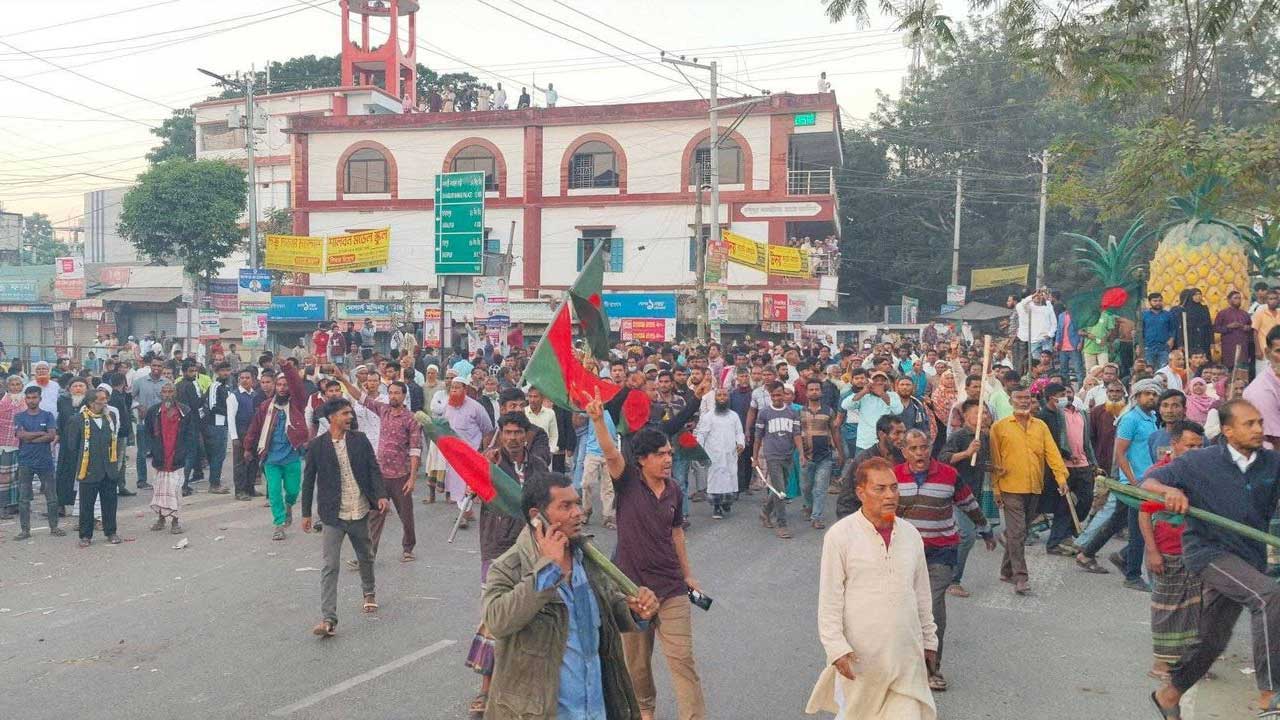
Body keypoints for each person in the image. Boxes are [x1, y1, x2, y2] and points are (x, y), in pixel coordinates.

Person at [481, 470, 659, 720]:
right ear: (536, 517)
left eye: (576, 503)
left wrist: (636, 610)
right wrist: (547, 570)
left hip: (595, 709)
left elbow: (609, 608)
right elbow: (497, 621)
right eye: (566, 506)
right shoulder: (509, 567)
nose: (578, 512)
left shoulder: (585, 557)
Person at [1146, 400, 1280, 718]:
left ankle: (1169, 694)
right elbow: (1148, 483)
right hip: (1210, 552)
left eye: (1260, 422)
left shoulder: (1272, 463)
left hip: (1249, 557)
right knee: (1268, 597)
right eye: (1249, 424)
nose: (1259, 429)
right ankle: (1270, 694)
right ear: (1227, 430)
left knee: (1212, 639)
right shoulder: (1199, 462)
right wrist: (1169, 491)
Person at [590, 394, 708, 720]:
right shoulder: (626, 482)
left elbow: (677, 533)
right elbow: (611, 453)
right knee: (637, 667)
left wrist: (689, 575)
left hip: (671, 589)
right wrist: (599, 421)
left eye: (669, 453)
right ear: (641, 459)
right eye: (660, 454)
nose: (668, 459)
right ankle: (644, 712)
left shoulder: (674, 490)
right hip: (632, 591)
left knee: (683, 661)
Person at [807, 457, 938, 720]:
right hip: (860, 662)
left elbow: (922, 595)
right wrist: (836, 648)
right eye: (880, 489)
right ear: (860, 492)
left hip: (905, 658)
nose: (890, 495)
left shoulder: (911, 535)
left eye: (894, 487)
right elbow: (830, 599)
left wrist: (929, 639)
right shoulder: (840, 536)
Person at [895, 429, 994, 691]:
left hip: (941, 551)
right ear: (904, 451)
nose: (920, 453)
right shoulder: (893, 477)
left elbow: (968, 503)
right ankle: (901, 666)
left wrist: (985, 528)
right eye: (913, 448)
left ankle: (932, 669)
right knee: (902, 609)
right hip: (904, 554)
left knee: (932, 608)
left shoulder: (949, 475)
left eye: (924, 447)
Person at [467, 411, 550, 716]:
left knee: (530, 617)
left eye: (518, 433)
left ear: (526, 435)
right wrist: (477, 481)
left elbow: (546, 504)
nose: (513, 438)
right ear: (500, 433)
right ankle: (486, 690)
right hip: (496, 548)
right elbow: (473, 493)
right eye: (508, 432)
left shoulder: (539, 466)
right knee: (494, 617)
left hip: (531, 548)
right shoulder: (489, 463)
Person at [300, 398, 388, 637]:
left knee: (365, 555)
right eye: (344, 413)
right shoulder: (317, 446)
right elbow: (308, 481)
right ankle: (329, 618)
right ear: (331, 418)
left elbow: (373, 469)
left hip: (358, 510)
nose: (350, 417)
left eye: (350, 413)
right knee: (330, 565)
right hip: (333, 515)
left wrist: (381, 495)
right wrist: (306, 513)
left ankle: (368, 591)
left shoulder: (360, 440)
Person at [1136, 419, 1204, 682]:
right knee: (1167, 609)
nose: (1196, 451)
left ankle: (1188, 662)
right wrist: (1152, 552)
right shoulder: (1160, 474)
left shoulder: (1201, 472)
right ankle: (1162, 664)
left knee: (1193, 609)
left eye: (1200, 446)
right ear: (1174, 444)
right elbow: (1144, 516)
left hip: (1195, 551)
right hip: (1167, 551)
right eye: (1190, 446)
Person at [334, 369, 421, 562]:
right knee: (375, 514)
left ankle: (408, 548)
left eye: (397, 393)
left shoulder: (411, 419)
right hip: (381, 474)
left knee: (405, 515)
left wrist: (413, 477)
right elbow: (361, 397)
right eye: (390, 393)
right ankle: (368, 553)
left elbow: (415, 450)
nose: (393, 396)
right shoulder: (383, 410)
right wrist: (343, 380)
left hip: (401, 475)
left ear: (404, 396)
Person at [989, 387, 1068, 595]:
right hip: (1009, 487)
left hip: (1034, 487)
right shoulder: (999, 427)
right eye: (1019, 397)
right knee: (1017, 532)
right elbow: (995, 461)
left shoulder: (1040, 426)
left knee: (1019, 533)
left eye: (1027, 398)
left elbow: (1052, 453)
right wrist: (996, 489)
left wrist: (1061, 478)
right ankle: (1020, 577)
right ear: (1010, 400)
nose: (1024, 401)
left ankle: (1006, 570)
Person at [243, 361, 309, 540]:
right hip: (271, 457)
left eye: (285, 385)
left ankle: (289, 506)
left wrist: (288, 368)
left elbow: (298, 387)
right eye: (279, 384)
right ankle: (279, 524)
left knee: (293, 490)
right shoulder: (266, 407)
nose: (281, 388)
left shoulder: (297, 405)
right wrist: (248, 448)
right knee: (273, 491)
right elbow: (254, 428)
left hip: (291, 456)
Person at [61, 388, 123, 547]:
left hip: (109, 469)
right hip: (88, 469)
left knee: (110, 503)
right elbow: (72, 446)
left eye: (105, 399)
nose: (104, 402)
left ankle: (111, 532)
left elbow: (114, 442)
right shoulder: (78, 419)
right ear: (90, 402)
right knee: (86, 505)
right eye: (100, 400)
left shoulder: (111, 417)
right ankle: (85, 535)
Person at [753, 381, 804, 539]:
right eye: (773, 395)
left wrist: (801, 453)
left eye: (779, 394)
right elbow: (758, 437)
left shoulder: (792, 413)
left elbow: (796, 434)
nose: (776, 398)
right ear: (770, 396)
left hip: (788, 455)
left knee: (779, 489)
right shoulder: (764, 413)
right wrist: (755, 458)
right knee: (781, 491)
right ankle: (782, 524)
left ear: (784, 394)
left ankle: (765, 512)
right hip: (772, 455)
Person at [12, 385, 63, 540]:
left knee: (52, 497)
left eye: (34, 397)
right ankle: (25, 530)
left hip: (45, 461)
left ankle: (54, 527)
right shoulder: (19, 416)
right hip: (25, 461)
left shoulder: (48, 415)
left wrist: (30, 437)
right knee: (24, 498)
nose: (31, 400)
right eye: (28, 397)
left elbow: (51, 436)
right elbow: (20, 435)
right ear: (25, 399)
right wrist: (41, 433)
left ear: (40, 399)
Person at [143, 381, 194, 535]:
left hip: (177, 457)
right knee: (159, 490)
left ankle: (175, 521)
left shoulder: (185, 411)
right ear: (161, 393)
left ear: (175, 393)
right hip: (159, 457)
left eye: (170, 391)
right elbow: (148, 433)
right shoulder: (153, 411)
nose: (167, 394)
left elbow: (190, 434)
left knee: (175, 490)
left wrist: (185, 452)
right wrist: (152, 450)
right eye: (164, 391)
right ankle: (161, 518)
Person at [836, 414, 906, 518]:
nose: (902, 438)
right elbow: (847, 499)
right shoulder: (864, 460)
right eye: (897, 433)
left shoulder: (905, 458)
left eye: (904, 433)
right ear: (882, 434)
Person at [799, 378, 845, 530]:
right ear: (806, 393)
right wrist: (800, 453)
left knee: (820, 488)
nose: (814, 392)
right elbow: (796, 434)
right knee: (806, 487)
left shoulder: (829, 411)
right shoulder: (800, 412)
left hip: (825, 456)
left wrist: (840, 452)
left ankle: (816, 517)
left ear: (821, 392)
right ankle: (808, 506)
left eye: (816, 389)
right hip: (806, 456)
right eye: (811, 389)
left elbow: (835, 432)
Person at [694, 386, 744, 520]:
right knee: (715, 481)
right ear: (715, 398)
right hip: (713, 455)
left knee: (729, 478)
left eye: (724, 395)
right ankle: (716, 507)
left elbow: (739, 432)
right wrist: (700, 451)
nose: (722, 398)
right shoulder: (708, 416)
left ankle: (727, 501)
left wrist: (740, 443)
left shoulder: (734, 416)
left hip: (730, 454)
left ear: (728, 398)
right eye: (719, 396)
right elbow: (702, 435)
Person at [229, 369, 264, 500]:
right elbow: (231, 418)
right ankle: (240, 491)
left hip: (254, 433)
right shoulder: (234, 396)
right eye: (242, 378)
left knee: (253, 462)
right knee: (240, 463)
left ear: (253, 380)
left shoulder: (255, 395)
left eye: (247, 377)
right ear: (239, 380)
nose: (245, 380)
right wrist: (234, 437)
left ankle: (250, 488)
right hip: (241, 432)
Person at [1214, 289, 1254, 371]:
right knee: (1229, 370)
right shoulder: (1223, 313)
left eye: (1239, 298)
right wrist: (1228, 327)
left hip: (1243, 347)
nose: (1238, 300)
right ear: (1229, 300)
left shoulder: (1245, 314)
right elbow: (1215, 328)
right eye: (1235, 298)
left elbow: (1251, 327)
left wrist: (1247, 328)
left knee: (1242, 370)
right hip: (1229, 348)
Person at [1171, 288, 1213, 357]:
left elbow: (1209, 326)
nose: (1198, 296)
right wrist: (1180, 343)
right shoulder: (1183, 310)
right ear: (1190, 296)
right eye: (1195, 295)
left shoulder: (1204, 309)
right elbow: (1179, 328)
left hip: (1203, 338)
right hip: (1190, 339)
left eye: (1199, 294)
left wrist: (1212, 341)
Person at [1143, 293, 1175, 371]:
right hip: (1148, 347)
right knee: (1149, 370)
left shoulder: (1168, 315)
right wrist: (1138, 345)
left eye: (1160, 300)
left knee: (1164, 370)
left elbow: (1173, 329)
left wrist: (1171, 339)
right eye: (1155, 301)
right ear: (1149, 302)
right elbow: (1140, 331)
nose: (1158, 303)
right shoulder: (1144, 315)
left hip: (1164, 347)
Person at [1254, 288, 1280, 378]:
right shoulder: (1260, 312)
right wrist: (1257, 350)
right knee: (1262, 375)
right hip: (1264, 350)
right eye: (1270, 299)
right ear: (1266, 300)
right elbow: (1255, 331)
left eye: (1275, 298)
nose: (1273, 301)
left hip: (1277, 351)